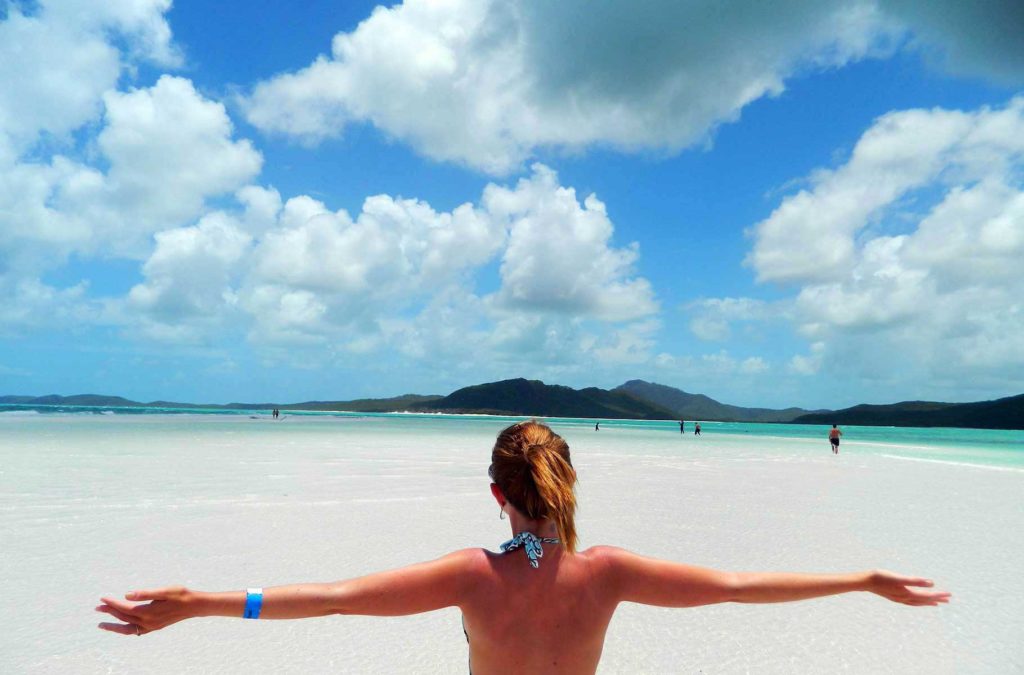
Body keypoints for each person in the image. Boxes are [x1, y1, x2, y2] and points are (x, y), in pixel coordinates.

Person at [96, 421, 948, 674]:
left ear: (497, 494)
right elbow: (735, 584)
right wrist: (865, 577)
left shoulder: (472, 575)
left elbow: (335, 597)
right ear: (566, 484)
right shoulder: (607, 571)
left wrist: (204, 600)